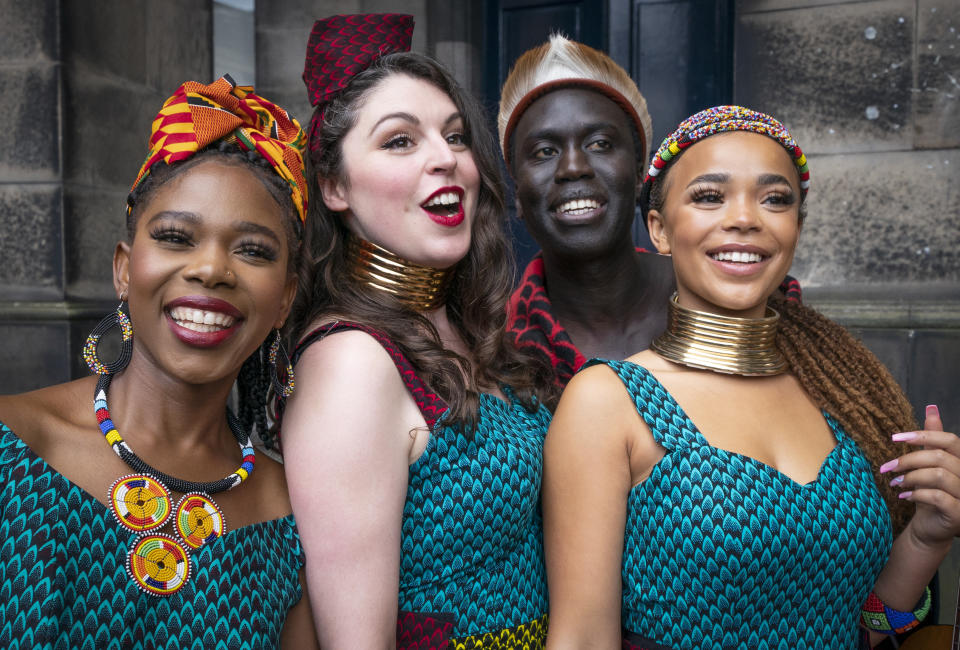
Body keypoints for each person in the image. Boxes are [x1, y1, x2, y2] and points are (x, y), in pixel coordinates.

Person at [541, 106, 960, 648]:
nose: (745, 218)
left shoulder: (833, 391)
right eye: (710, 196)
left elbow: (864, 630)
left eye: (775, 199)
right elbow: (580, 639)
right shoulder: (608, 401)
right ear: (659, 230)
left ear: (796, 229)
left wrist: (927, 540)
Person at [0, 76, 318, 649]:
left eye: (252, 250)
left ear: (285, 299)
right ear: (124, 268)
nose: (211, 269)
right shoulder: (13, 446)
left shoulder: (290, 517)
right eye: (176, 237)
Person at [279, 13, 557, 649]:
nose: (448, 159)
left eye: (455, 136)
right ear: (333, 185)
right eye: (400, 141)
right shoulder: (352, 362)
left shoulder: (455, 321)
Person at [498, 35, 801, 388]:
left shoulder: (745, 296)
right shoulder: (497, 348)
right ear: (518, 192)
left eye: (600, 144)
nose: (573, 167)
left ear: (640, 173)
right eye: (544, 151)